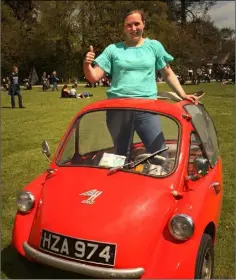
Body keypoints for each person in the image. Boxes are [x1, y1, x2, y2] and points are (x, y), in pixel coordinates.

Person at [83, 9, 198, 156]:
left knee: (160, 154)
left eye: (137, 24)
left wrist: (182, 94)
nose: (133, 28)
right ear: (124, 27)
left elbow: (168, 73)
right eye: (129, 25)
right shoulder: (113, 49)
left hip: (147, 109)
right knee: (121, 156)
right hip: (118, 109)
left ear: (144, 24)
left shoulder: (154, 46)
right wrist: (87, 65)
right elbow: (93, 77)